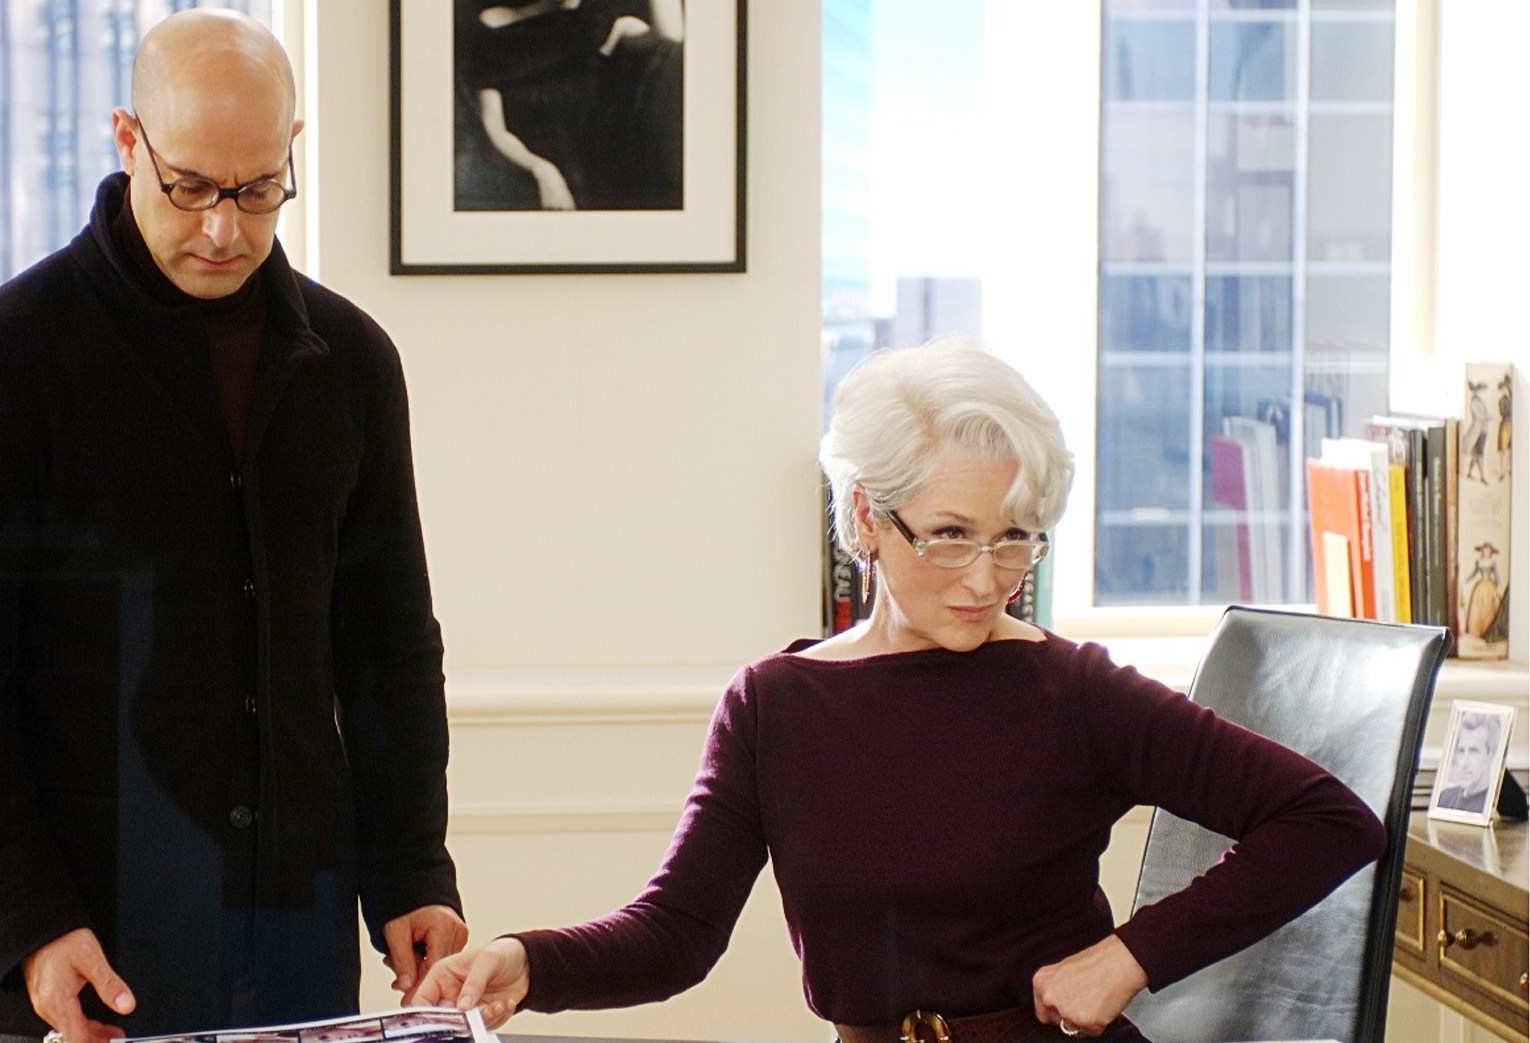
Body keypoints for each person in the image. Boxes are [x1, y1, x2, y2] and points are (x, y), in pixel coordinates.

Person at [412, 337, 1385, 1042]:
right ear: (868, 518)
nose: (987, 577)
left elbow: (1329, 819)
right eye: (950, 533)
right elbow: (677, 933)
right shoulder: (775, 705)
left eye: (1015, 536)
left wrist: (1128, 956)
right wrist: (525, 960)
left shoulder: (1075, 691)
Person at [0, 11, 464, 1043]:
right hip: (84, 958)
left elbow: (388, 647)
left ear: (292, 152)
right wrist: (31, 921)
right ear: (128, 141)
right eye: (191, 186)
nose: (224, 230)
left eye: (258, 190)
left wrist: (413, 868)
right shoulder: (0, 363)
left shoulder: (355, 364)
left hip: (297, 949)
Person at [454, 0, 684, 211]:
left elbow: (674, 49)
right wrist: (542, 170)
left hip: (596, 164)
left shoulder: (597, 22)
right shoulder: (493, 27)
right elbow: (494, 127)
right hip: (531, 166)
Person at [1437, 713, 1503, 815]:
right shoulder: (1444, 798)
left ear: (1491, 755)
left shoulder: (1493, 805)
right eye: (1461, 751)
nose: (1464, 763)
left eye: (1473, 751)